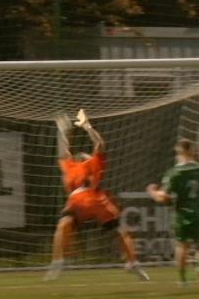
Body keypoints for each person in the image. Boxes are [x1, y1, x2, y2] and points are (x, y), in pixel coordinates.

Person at [45, 110, 150, 282]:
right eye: (85, 155)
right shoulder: (72, 166)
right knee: (63, 226)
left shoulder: (92, 163)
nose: (88, 155)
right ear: (80, 158)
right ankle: (58, 262)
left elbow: (99, 144)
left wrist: (87, 127)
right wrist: (62, 131)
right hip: (80, 199)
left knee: (120, 230)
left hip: (93, 198)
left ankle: (133, 263)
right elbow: (64, 152)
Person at [146, 139, 199, 287]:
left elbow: (163, 196)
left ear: (179, 152)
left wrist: (152, 192)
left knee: (182, 246)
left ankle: (183, 280)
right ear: (193, 151)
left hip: (182, 213)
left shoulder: (175, 173)